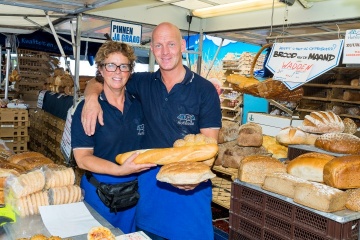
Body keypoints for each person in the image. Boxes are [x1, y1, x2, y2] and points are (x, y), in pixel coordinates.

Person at [81, 22, 222, 239]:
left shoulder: (204, 90)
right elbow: (105, 78)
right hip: (150, 190)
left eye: (171, 44)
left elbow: (209, 148)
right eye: (158, 45)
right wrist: (91, 98)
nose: (165, 52)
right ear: (152, 50)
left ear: (183, 46)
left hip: (190, 194)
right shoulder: (142, 82)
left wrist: (194, 178)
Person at [71, 40, 155, 234]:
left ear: (130, 71)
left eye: (123, 66)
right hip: (99, 194)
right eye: (110, 65)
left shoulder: (139, 105)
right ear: (100, 69)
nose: (117, 72)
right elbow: (82, 159)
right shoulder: (88, 110)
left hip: (133, 196)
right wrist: (119, 170)